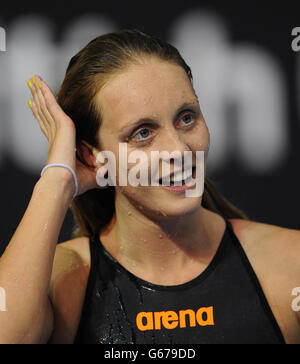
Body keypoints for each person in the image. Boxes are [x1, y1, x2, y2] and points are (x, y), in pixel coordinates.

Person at [0, 29, 299, 344]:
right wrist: (57, 180)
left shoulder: (288, 265)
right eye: (143, 133)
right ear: (92, 156)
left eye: (186, 118)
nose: (180, 151)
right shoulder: (65, 280)